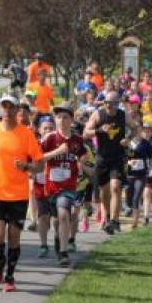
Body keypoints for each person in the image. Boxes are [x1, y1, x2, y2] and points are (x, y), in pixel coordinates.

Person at [0, 93, 64, 292]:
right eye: (4, 107)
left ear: (18, 111)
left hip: (18, 195)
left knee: (14, 236)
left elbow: (40, 164)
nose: (7, 111)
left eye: (11, 107)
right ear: (0, 109)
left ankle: (10, 277)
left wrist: (26, 167)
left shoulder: (26, 134)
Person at [83, 91, 139, 235]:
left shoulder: (122, 115)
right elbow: (85, 132)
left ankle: (115, 221)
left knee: (116, 187)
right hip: (102, 157)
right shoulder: (98, 114)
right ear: (104, 103)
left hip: (118, 156)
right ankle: (107, 217)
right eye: (108, 103)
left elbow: (135, 127)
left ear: (118, 103)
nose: (111, 107)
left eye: (114, 104)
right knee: (104, 192)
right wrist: (99, 130)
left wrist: (128, 139)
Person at [40, 102, 89, 266]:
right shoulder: (49, 138)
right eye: (59, 117)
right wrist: (58, 152)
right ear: (55, 119)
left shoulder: (77, 140)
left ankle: (63, 252)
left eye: (65, 117)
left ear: (71, 119)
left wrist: (82, 160)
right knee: (55, 219)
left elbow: (83, 154)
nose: (62, 121)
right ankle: (58, 236)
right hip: (51, 185)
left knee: (63, 214)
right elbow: (39, 158)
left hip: (69, 185)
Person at [32, 118, 55, 257]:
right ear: (39, 130)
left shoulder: (59, 144)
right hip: (40, 184)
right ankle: (43, 244)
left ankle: (59, 239)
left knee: (56, 217)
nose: (48, 131)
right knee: (42, 215)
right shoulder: (34, 145)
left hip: (57, 185)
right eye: (45, 128)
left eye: (50, 128)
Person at [125, 125, 152, 228]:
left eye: (138, 130)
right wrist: (129, 162)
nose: (137, 132)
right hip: (130, 174)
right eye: (134, 130)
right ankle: (129, 207)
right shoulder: (128, 143)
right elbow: (123, 157)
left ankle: (135, 223)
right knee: (129, 197)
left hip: (141, 174)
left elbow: (150, 158)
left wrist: (150, 169)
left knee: (136, 197)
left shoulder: (146, 144)